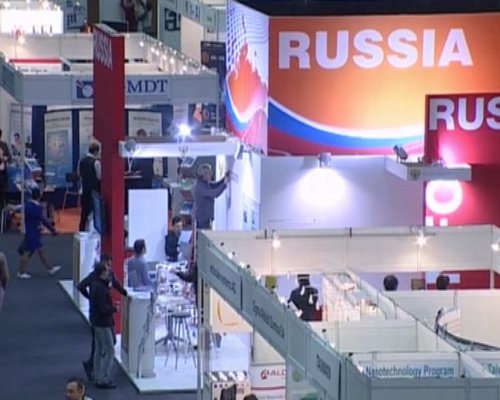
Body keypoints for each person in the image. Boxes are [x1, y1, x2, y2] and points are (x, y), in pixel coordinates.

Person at [77, 254, 127, 381]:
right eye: (107, 266)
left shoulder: (107, 276)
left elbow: (116, 284)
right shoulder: (96, 281)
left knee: (103, 344)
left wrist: (125, 293)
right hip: (100, 318)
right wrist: (91, 299)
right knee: (102, 346)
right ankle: (100, 374)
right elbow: (81, 286)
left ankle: (96, 370)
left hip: (104, 317)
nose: (109, 269)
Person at [17, 188, 61, 279]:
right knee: (27, 252)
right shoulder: (36, 208)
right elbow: (44, 220)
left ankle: (50, 268)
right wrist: (53, 230)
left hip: (31, 232)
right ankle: (21, 272)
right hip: (33, 233)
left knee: (40, 251)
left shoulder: (28, 205)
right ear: (39, 196)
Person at [89, 262, 117, 389]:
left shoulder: (95, 285)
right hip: (103, 323)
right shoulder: (101, 289)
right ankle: (103, 378)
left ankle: (97, 375)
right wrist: (113, 309)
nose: (109, 271)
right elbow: (103, 308)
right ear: (102, 272)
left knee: (99, 350)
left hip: (96, 321)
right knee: (110, 351)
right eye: (107, 270)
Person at [193, 163, 230, 229]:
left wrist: (224, 179)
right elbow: (215, 194)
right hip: (203, 221)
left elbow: (214, 185)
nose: (211, 174)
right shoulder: (200, 187)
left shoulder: (204, 183)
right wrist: (224, 183)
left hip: (205, 219)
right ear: (204, 174)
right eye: (209, 173)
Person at [78, 143, 101, 231]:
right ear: (95, 151)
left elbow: (79, 174)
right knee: (94, 211)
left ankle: (82, 229)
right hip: (94, 191)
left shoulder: (81, 161)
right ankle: (92, 229)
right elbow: (99, 176)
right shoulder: (96, 163)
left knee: (84, 211)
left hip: (84, 189)